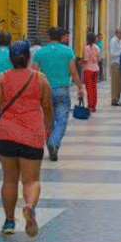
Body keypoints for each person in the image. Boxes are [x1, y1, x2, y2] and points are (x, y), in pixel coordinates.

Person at [0, 41, 54, 237]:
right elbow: (47, 107)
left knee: (9, 180)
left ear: (10, 59)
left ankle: (9, 222)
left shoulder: (1, 78)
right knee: (31, 180)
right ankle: (29, 206)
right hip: (32, 134)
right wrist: (48, 128)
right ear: (29, 57)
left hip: (5, 134)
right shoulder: (40, 79)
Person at [32, 26, 82, 162]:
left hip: (45, 90)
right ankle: (54, 143)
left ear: (49, 37)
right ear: (61, 37)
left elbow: (34, 73)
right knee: (61, 119)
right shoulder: (68, 51)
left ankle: (51, 143)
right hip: (62, 89)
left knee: (48, 119)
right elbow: (73, 71)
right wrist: (80, 87)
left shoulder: (40, 52)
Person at [82, 33, 100, 112]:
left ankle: (90, 105)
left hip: (88, 69)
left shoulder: (86, 48)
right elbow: (98, 58)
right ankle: (94, 105)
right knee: (94, 88)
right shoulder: (96, 47)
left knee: (89, 88)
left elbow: (85, 59)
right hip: (95, 69)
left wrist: (80, 62)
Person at [109, 28, 121, 106]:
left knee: (119, 82)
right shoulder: (113, 41)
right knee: (115, 82)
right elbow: (112, 53)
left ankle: (118, 98)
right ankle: (114, 99)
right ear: (118, 33)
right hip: (115, 63)